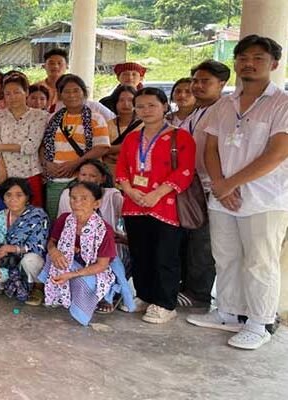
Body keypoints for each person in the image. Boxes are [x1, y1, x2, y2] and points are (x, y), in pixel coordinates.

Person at [187, 35, 288, 350]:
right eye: (243, 58)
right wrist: (219, 184)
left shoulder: (281, 103)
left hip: (264, 198)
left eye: (258, 58)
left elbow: (277, 152)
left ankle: (260, 322)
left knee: (260, 261)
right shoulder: (225, 103)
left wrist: (229, 184)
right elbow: (211, 148)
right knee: (226, 256)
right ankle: (229, 312)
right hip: (223, 196)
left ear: (273, 64)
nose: (249, 63)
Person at [116, 87, 196, 324]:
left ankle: (164, 303)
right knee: (140, 253)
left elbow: (185, 171)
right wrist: (130, 190)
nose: (145, 110)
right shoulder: (132, 137)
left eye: (152, 105)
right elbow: (121, 169)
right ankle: (144, 295)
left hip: (165, 206)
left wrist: (156, 194)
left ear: (164, 106)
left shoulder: (179, 137)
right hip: (134, 204)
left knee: (165, 255)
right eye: (140, 106)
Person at [177, 60, 230, 308]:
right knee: (189, 238)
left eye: (205, 81)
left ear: (222, 83)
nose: (198, 86)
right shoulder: (196, 112)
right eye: (195, 81)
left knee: (203, 242)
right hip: (191, 185)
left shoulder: (226, 110)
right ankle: (187, 286)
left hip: (213, 186)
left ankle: (198, 294)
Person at [39, 181, 117, 326]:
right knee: (51, 259)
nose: (77, 203)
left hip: (92, 270)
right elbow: (51, 242)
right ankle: (59, 295)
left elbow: (101, 265)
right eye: (73, 198)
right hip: (69, 262)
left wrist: (72, 274)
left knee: (82, 282)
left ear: (97, 203)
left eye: (84, 198)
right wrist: (54, 251)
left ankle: (98, 298)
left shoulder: (104, 230)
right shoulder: (64, 219)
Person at [42, 74, 111, 220]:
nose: (71, 95)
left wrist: (75, 164)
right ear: (60, 94)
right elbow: (43, 146)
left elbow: (102, 147)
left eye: (76, 90)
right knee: (57, 220)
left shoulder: (95, 118)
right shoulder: (53, 118)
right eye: (66, 91)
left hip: (84, 179)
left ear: (83, 93)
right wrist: (47, 164)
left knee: (83, 219)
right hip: (56, 179)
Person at [0, 74, 48, 208]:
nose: (12, 97)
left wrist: (1, 147)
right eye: (8, 93)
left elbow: (31, 147)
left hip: (28, 173)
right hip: (0, 173)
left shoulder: (39, 116)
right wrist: (1, 171)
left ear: (26, 93)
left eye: (17, 92)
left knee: (30, 216)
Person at [0, 178, 48, 304]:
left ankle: (38, 287)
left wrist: (15, 249)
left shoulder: (37, 215)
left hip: (30, 259)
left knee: (30, 260)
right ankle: (18, 285)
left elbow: (39, 245)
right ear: (3, 198)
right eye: (8, 195)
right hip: (9, 260)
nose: (13, 199)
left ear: (27, 197)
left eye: (19, 195)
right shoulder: (0, 216)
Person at [37, 49, 115, 119]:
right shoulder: (37, 88)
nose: (55, 66)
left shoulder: (94, 109)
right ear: (44, 66)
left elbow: (114, 121)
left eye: (59, 63)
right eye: (51, 63)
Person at [103, 85, 142, 173]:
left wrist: (112, 150)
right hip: (108, 171)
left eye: (130, 100)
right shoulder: (107, 124)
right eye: (121, 100)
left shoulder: (144, 125)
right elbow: (99, 148)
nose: (126, 104)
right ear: (115, 102)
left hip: (133, 171)